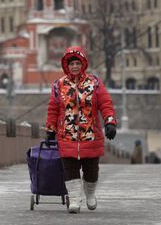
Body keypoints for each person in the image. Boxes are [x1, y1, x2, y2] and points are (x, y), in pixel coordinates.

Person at [45, 46, 117, 214]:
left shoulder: (94, 83)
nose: (75, 66)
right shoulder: (59, 85)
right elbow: (53, 109)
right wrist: (50, 128)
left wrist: (110, 122)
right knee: (70, 169)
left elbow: (106, 104)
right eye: (72, 64)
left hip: (90, 135)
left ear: (83, 64)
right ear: (67, 66)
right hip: (67, 135)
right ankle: (75, 200)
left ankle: (90, 194)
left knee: (91, 171)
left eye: (78, 63)